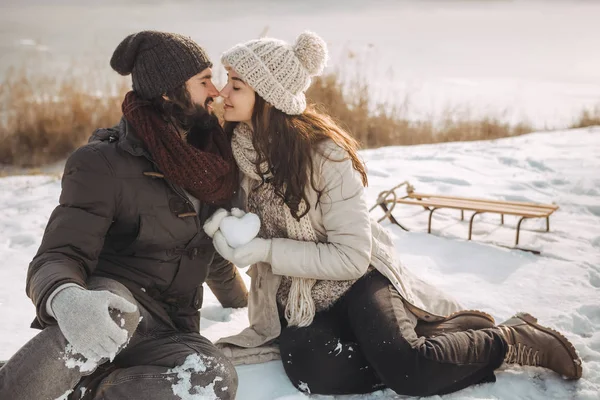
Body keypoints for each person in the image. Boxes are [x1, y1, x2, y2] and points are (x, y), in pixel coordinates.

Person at [204, 31, 583, 397]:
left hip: (358, 277)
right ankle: (446, 343)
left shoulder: (324, 156)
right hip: (300, 293)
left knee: (407, 372)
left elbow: (351, 257)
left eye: (236, 85)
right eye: (225, 82)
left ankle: (510, 340)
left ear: (269, 96)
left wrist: (266, 251)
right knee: (311, 369)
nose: (223, 92)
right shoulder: (239, 153)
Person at [0, 31, 247, 400]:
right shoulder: (102, 163)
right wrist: (65, 297)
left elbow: (208, 252)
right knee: (115, 310)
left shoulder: (213, 163)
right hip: (108, 308)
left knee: (213, 378)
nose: (216, 90)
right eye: (203, 80)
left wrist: (241, 307)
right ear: (168, 91)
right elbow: (56, 255)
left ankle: (89, 392)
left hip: (170, 331)